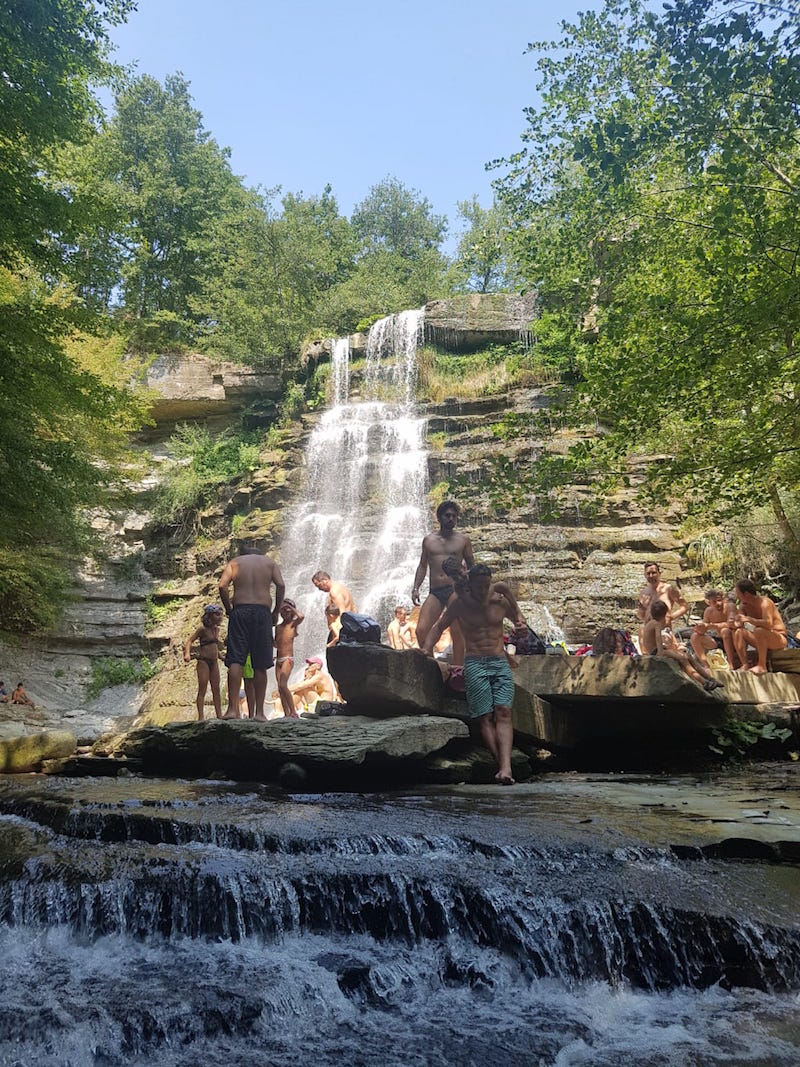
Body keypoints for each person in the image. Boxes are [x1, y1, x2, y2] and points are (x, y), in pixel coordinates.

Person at [420, 563, 527, 785]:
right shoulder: (460, 605)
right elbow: (439, 627)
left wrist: (521, 624)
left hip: (499, 661)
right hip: (475, 663)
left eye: (486, 586)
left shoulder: (499, 601)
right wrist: (426, 648)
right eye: (478, 586)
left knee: (504, 711)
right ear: (470, 585)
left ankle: (505, 768)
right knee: (484, 716)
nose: (482, 591)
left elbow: (519, 620)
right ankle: (503, 766)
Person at [218, 546, 285, 720]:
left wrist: (229, 609)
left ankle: (233, 710)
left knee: (235, 660)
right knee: (260, 664)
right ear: (259, 554)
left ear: (244, 553)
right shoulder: (269, 563)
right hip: (262, 612)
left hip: (240, 610)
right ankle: (260, 713)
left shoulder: (235, 562)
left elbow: (222, 585)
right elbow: (281, 585)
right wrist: (276, 611)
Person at [412, 501, 475, 656]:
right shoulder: (428, 540)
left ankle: (458, 671)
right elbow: (422, 566)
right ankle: (433, 666)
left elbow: (472, 567)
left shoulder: (463, 540)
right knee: (421, 630)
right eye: (447, 515)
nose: (451, 519)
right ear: (439, 518)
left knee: (457, 632)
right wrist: (416, 588)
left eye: (454, 516)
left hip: (455, 589)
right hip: (435, 591)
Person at [642, 600, 722, 690]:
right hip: (656, 651)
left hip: (658, 649)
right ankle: (704, 682)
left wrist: (666, 648)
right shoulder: (656, 624)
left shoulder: (651, 622)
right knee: (683, 659)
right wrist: (661, 652)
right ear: (664, 614)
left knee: (688, 656)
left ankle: (710, 678)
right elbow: (657, 637)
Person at [731, 578, 788, 674]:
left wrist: (749, 619)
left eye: (738, 594)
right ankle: (744, 664)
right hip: (760, 639)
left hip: (778, 638)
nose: (737, 596)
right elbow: (739, 623)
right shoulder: (743, 605)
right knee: (737, 632)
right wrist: (734, 623)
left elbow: (769, 624)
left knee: (759, 630)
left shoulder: (765, 602)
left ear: (746, 594)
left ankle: (762, 665)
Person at [183, 604, 224, 720]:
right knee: (203, 688)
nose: (220, 617)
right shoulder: (202, 629)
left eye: (221, 615)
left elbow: (214, 646)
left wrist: (221, 657)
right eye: (217, 615)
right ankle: (201, 717)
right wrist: (187, 654)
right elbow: (190, 641)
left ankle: (219, 715)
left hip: (214, 662)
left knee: (216, 688)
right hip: (203, 662)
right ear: (210, 616)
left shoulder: (217, 630)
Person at [637, 562, 689, 646]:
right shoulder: (643, 593)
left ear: (659, 573)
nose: (651, 576)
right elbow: (641, 616)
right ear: (645, 575)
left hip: (664, 631)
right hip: (647, 632)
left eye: (653, 573)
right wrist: (642, 609)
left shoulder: (668, 589)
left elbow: (685, 606)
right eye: (648, 573)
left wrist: (671, 617)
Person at [690, 589, 737, 668]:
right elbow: (704, 629)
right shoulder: (708, 611)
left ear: (723, 599)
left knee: (725, 631)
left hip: (733, 639)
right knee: (695, 637)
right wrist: (699, 628)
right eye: (714, 602)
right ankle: (707, 665)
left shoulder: (730, 606)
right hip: (719, 641)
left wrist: (712, 626)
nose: (718, 604)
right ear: (709, 602)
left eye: (719, 600)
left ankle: (731, 664)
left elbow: (731, 624)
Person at [274, 599, 304, 718]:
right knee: (280, 688)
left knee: (283, 685)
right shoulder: (278, 627)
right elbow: (276, 644)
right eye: (282, 610)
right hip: (278, 660)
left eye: (287, 611)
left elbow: (301, 616)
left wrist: (290, 607)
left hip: (287, 659)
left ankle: (293, 712)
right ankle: (286, 713)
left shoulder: (293, 625)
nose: (284, 613)